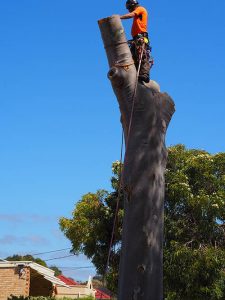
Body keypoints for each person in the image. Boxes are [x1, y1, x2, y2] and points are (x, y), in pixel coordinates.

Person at [120, 0, 153, 83]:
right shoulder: (137, 15)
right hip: (136, 38)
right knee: (133, 57)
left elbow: (131, 15)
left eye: (129, 8)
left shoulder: (140, 9)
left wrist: (119, 17)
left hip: (141, 37)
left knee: (141, 55)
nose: (129, 10)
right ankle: (135, 74)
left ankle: (145, 74)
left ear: (133, 5)